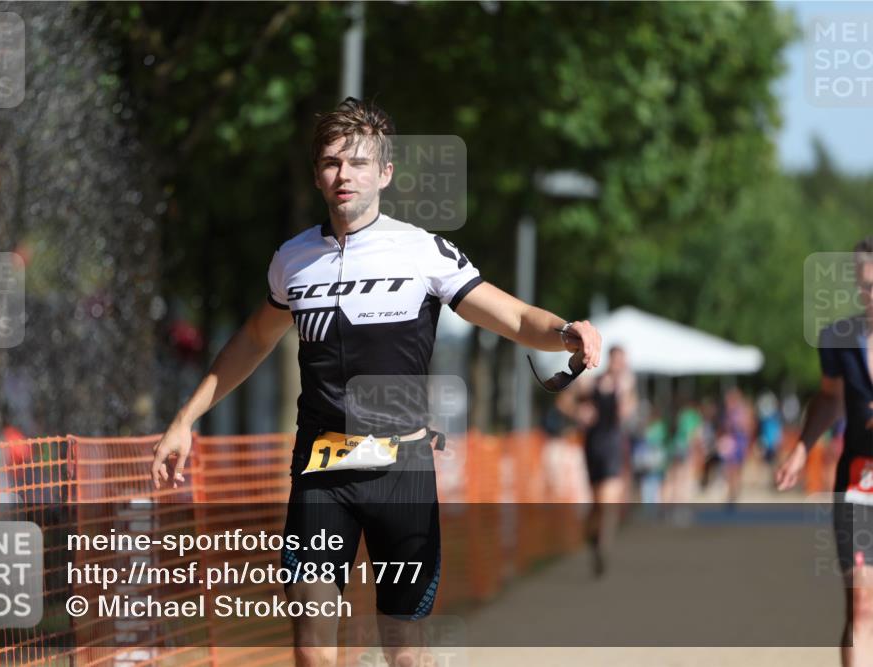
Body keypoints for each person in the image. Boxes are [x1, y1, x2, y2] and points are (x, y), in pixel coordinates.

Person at [150, 97, 602, 667]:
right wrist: (183, 421)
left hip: (401, 470)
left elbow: (510, 317)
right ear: (317, 175)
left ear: (384, 173)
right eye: (333, 163)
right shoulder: (293, 260)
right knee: (313, 649)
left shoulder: (423, 251)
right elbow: (252, 341)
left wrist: (565, 331)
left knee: (403, 654)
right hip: (321, 468)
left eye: (359, 162)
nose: (345, 175)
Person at [776, 235, 873, 667]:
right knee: (862, 603)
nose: (867, 291)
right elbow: (831, 398)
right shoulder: (838, 338)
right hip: (857, 484)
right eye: (862, 282)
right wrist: (801, 448)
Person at [558, 345, 636, 577]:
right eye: (616, 361)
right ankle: (594, 537)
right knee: (597, 502)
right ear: (609, 360)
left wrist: (624, 394)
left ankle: (602, 545)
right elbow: (563, 402)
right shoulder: (590, 383)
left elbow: (626, 413)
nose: (619, 366)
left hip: (614, 445)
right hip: (593, 445)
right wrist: (578, 412)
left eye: (623, 362)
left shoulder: (627, 387)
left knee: (608, 501)